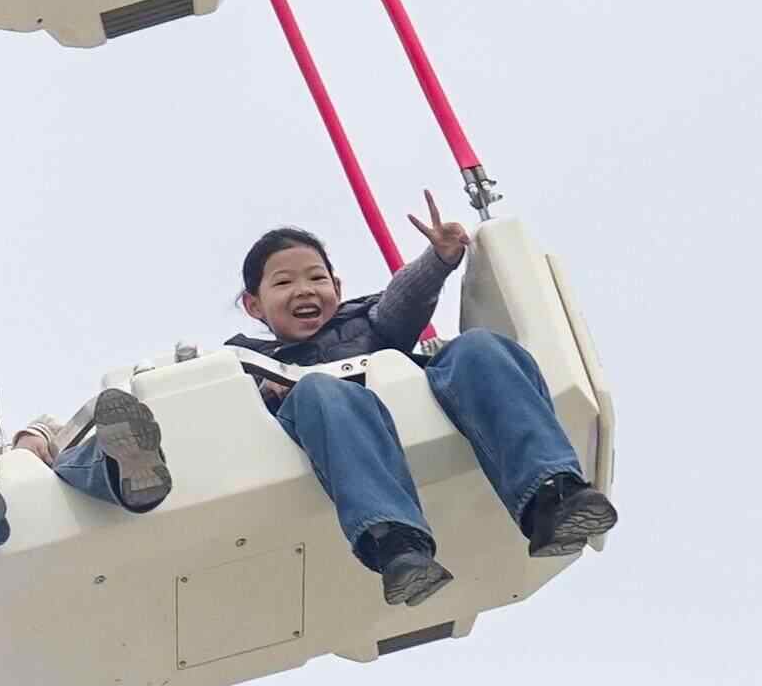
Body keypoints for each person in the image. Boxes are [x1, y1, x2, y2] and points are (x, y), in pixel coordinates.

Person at [229, 200, 616, 608]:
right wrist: (268, 388)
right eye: (284, 282)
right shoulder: (249, 364)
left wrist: (439, 259)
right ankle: (396, 543)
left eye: (316, 278)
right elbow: (233, 421)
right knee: (321, 391)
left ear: (337, 288)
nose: (305, 289)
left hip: (414, 411)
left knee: (477, 348)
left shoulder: (365, 322)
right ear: (254, 305)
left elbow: (403, 301)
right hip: (336, 434)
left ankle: (552, 495)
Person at [0, 352, 170, 548]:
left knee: (70, 459)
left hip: (41, 499)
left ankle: (121, 468)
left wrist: (34, 436)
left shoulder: (13, 451)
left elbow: (61, 429)